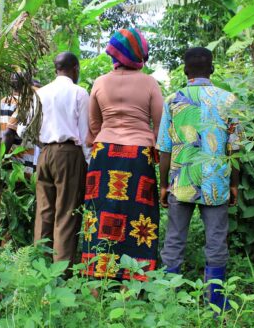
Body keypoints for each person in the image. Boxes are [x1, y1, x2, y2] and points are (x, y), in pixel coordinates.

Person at [157, 47, 240, 311]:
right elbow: (235, 148)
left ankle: (169, 299)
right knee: (216, 239)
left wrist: (163, 184)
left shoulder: (173, 100)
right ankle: (215, 301)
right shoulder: (229, 100)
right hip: (216, 181)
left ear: (185, 70)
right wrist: (235, 183)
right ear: (212, 69)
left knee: (174, 238)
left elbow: (165, 148)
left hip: (181, 180)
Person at [81, 28, 163, 281]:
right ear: (140, 55)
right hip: (139, 156)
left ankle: (97, 280)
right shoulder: (150, 83)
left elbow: (93, 123)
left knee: (101, 212)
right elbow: (160, 124)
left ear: (114, 53)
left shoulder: (100, 82)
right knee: (138, 215)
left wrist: (107, 135)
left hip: (104, 154)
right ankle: (132, 282)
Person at [34, 52, 90, 270]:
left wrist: (43, 146)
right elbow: (85, 133)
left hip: (45, 152)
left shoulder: (41, 93)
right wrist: (89, 162)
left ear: (56, 68)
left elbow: (25, 128)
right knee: (66, 212)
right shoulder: (79, 92)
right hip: (69, 154)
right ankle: (60, 271)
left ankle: (37, 265)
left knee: (44, 210)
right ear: (75, 68)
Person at [1, 74, 42, 176]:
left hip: (4, 155)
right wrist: (1, 157)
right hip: (21, 159)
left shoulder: (1, 101)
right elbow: (9, 133)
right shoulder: (27, 103)